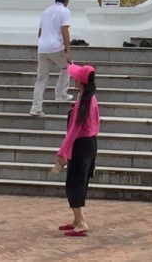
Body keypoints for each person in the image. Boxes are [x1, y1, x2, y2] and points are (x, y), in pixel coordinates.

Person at [50, 63, 100, 237]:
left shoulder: (85, 102)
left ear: (80, 82)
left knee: (74, 183)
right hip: (90, 144)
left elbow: (75, 130)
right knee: (79, 181)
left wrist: (63, 150)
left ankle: (81, 221)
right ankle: (77, 220)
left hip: (81, 145)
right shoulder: (89, 98)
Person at [30, 0, 73, 116]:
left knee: (41, 78)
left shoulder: (46, 11)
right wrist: (68, 50)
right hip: (55, 46)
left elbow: (39, 32)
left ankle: (36, 107)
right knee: (69, 66)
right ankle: (60, 93)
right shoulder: (65, 11)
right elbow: (65, 31)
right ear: (66, 0)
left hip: (42, 48)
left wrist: (44, 43)